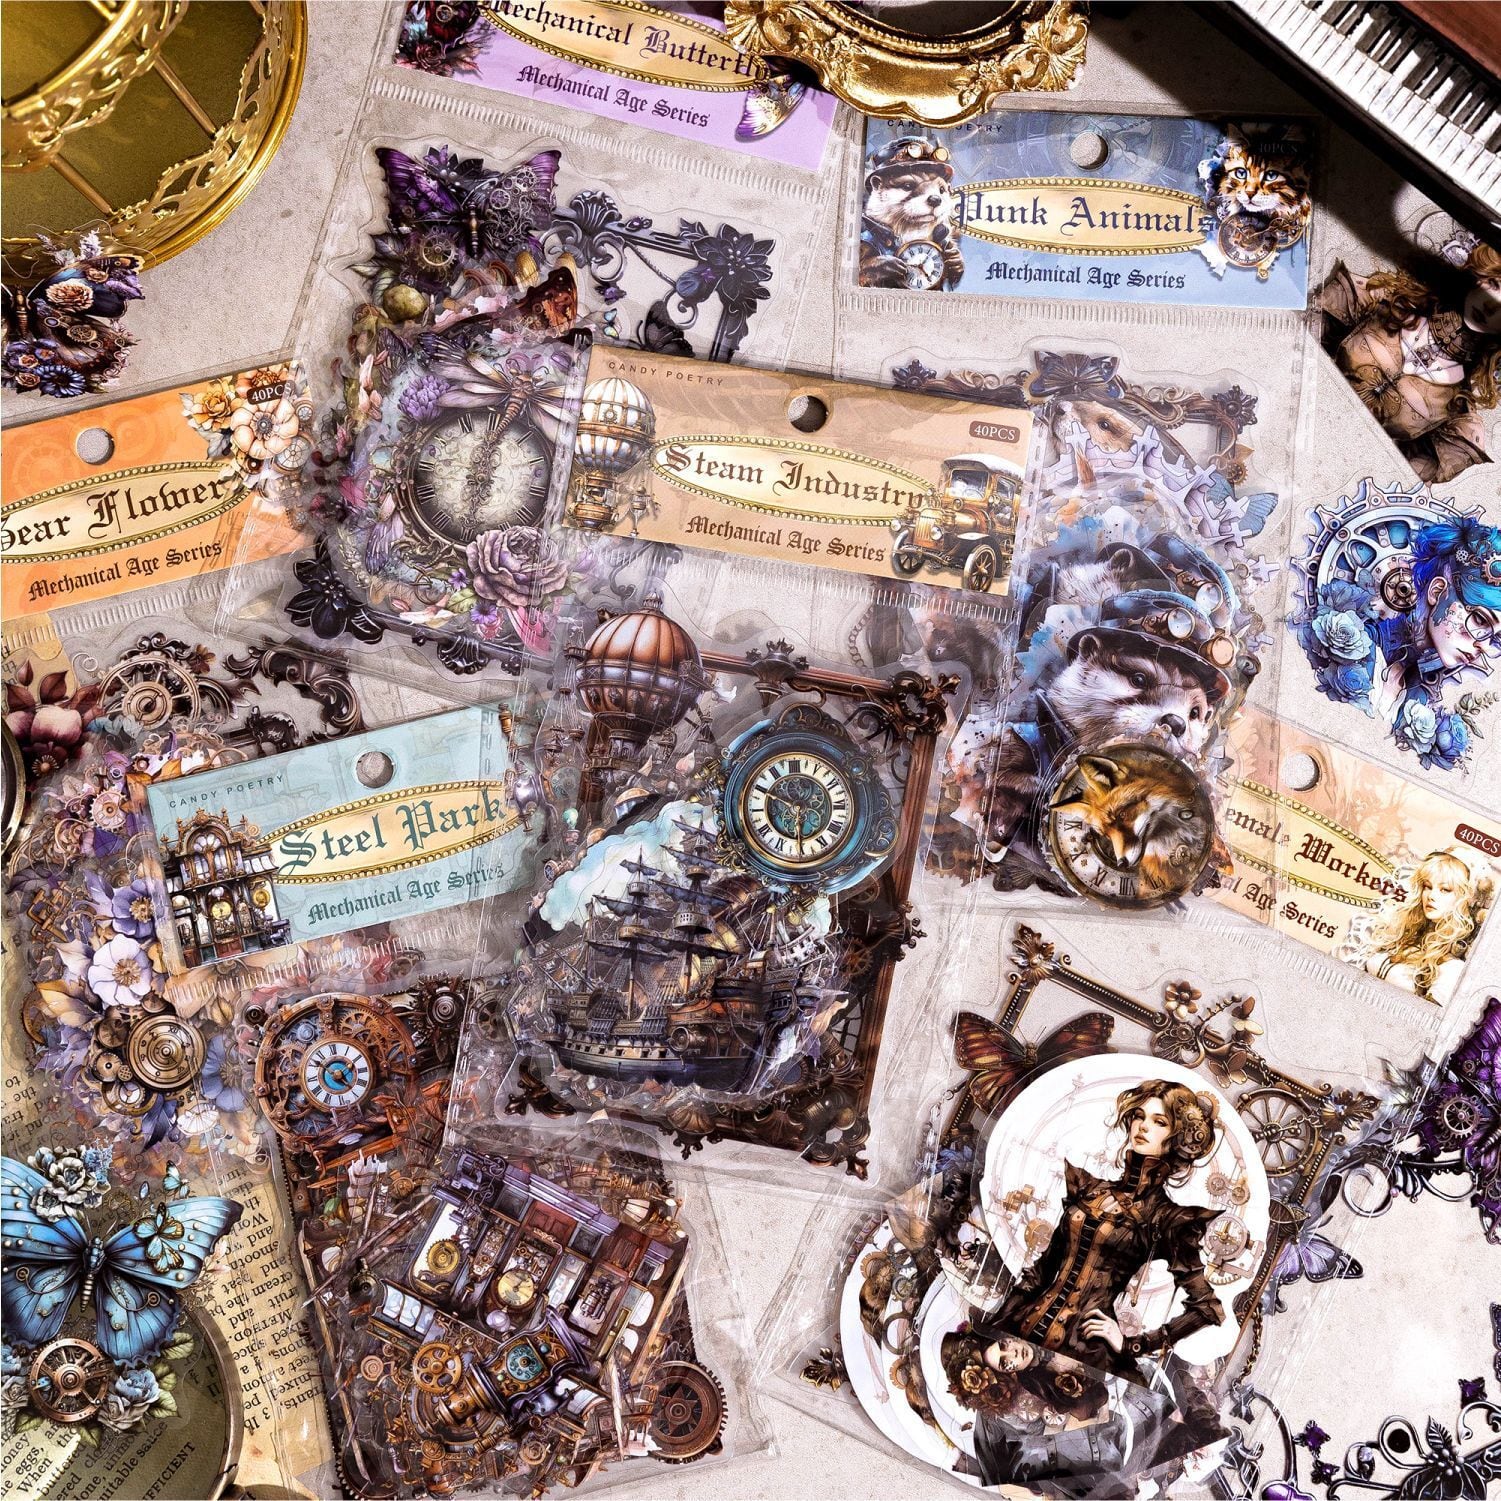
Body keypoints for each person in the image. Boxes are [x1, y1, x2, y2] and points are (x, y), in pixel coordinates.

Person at [938, 1081, 1228, 1490]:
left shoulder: (1169, 1220)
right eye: (1139, 1116)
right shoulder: (1088, 1189)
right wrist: (998, 1327)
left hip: (1087, 1356)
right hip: (1023, 1336)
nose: (1142, 1126)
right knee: (998, 1450)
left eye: (1159, 1122)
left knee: (1079, 1465)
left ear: (1176, 1138)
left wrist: (1132, 1345)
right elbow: (1041, 1272)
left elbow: (1207, 1308)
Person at [1363, 849, 1486, 1005]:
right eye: (1428, 886)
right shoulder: (1403, 938)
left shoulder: (1452, 968)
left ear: (1465, 899)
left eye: (1445, 890)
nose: (1431, 896)